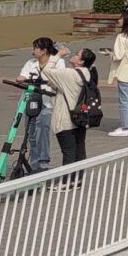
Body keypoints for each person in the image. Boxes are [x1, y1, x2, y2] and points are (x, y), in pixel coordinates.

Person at [43, 47, 95, 182]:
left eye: (77, 54)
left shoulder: (70, 74)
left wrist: (58, 55)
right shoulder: (87, 74)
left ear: (81, 61)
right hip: (81, 118)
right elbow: (60, 84)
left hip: (66, 119)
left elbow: (46, 70)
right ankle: (77, 179)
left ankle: (67, 182)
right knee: (79, 150)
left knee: (68, 152)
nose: (74, 54)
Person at [18, 37, 67, 172]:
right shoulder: (30, 63)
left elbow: (57, 78)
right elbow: (22, 76)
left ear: (44, 50)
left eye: (35, 48)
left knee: (43, 130)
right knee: (31, 133)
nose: (32, 51)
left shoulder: (59, 62)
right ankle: (34, 164)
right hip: (32, 100)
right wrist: (22, 79)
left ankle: (43, 162)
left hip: (48, 102)